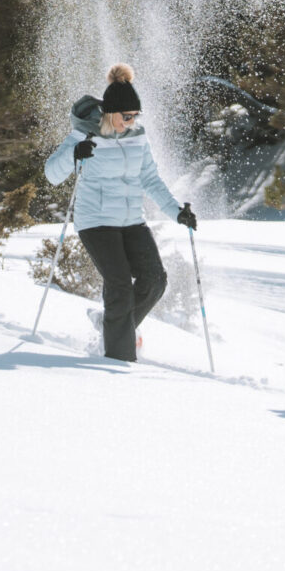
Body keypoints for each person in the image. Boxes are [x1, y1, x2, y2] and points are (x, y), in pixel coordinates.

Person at [43, 63, 197, 361]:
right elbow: (51, 174)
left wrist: (177, 212)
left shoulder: (137, 136)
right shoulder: (85, 134)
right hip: (96, 222)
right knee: (120, 287)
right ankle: (118, 361)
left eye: (134, 116)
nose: (130, 122)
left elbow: (150, 179)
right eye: (126, 116)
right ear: (110, 112)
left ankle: (110, 325)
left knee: (155, 280)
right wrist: (74, 155)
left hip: (131, 221)